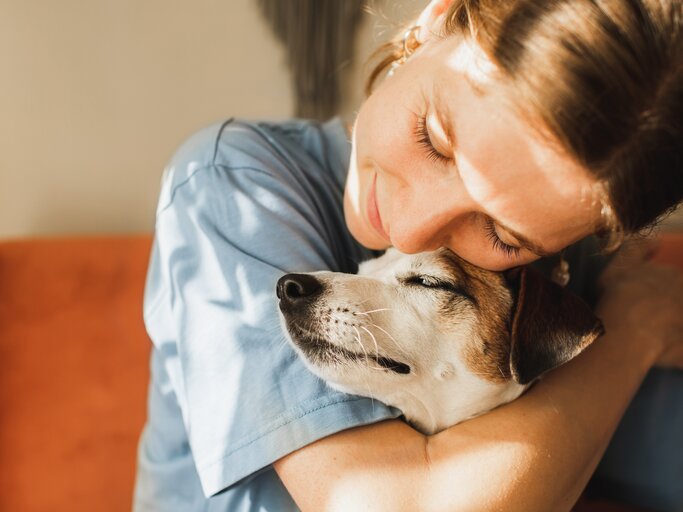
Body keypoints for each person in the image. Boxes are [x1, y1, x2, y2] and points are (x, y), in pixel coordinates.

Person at [133, 0, 683, 510]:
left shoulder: (557, 280)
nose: (411, 230)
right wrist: (631, 332)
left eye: (503, 234)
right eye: (436, 141)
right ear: (434, 22)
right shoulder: (232, 185)